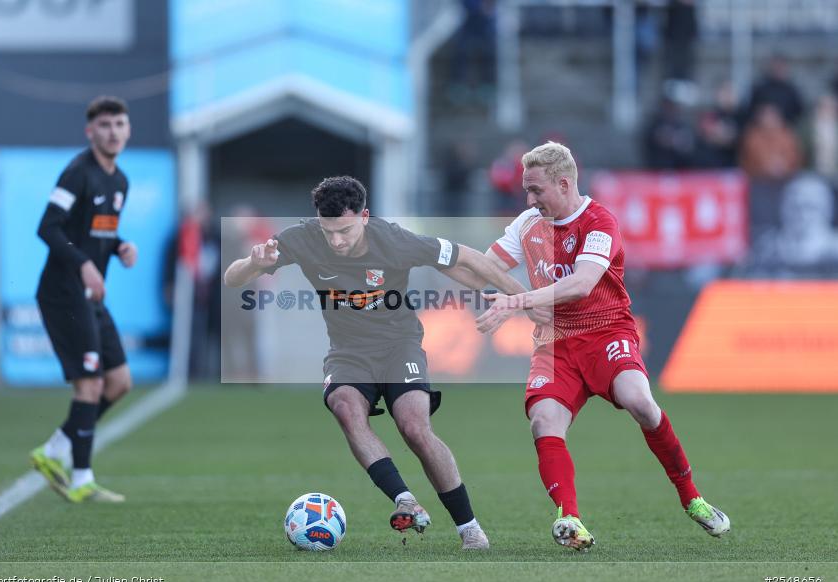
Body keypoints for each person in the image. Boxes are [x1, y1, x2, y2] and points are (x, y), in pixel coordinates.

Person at [223, 176, 528, 549]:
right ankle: (405, 500)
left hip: (399, 345)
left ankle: (469, 529)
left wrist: (525, 297)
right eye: (328, 231)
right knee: (344, 406)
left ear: (364, 216)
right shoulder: (300, 238)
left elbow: (465, 256)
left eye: (345, 231)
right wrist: (253, 265)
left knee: (414, 428)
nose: (336, 240)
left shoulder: (395, 240)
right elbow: (232, 278)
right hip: (348, 352)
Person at [475, 142, 730, 550]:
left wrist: (519, 301)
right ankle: (569, 518)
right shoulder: (526, 223)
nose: (529, 199)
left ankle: (692, 498)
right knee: (544, 421)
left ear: (563, 183)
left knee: (640, 402)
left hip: (607, 333)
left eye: (536, 190)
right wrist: (435, 255)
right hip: (555, 344)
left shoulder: (599, 221)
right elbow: (485, 266)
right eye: (527, 190)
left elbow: (581, 284)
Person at [29, 96, 136, 503]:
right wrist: (84, 266)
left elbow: (97, 235)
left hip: (89, 295)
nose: (113, 132)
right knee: (89, 383)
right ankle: (81, 480)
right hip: (63, 292)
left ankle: (55, 448)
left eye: (119, 124)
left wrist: (119, 247)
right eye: (105, 125)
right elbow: (48, 228)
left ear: (128, 130)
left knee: (120, 382)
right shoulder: (77, 173)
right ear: (90, 131)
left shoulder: (120, 181)